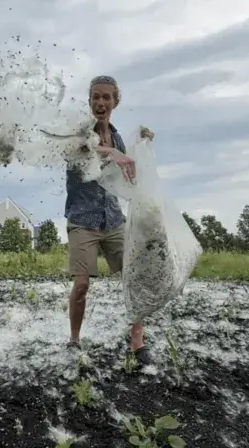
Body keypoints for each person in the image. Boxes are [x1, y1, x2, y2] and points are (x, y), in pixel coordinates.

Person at [65, 75, 155, 366]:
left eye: (106, 97)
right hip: (83, 220)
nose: (100, 102)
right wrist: (115, 153)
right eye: (95, 97)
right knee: (81, 285)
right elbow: (87, 149)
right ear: (89, 100)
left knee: (133, 277)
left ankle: (137, 342)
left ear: (116, 101)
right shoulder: (79, 131)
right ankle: (75, 340)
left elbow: (127, 170)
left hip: (113, 219)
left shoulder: (116, 138)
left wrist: (140, 143)